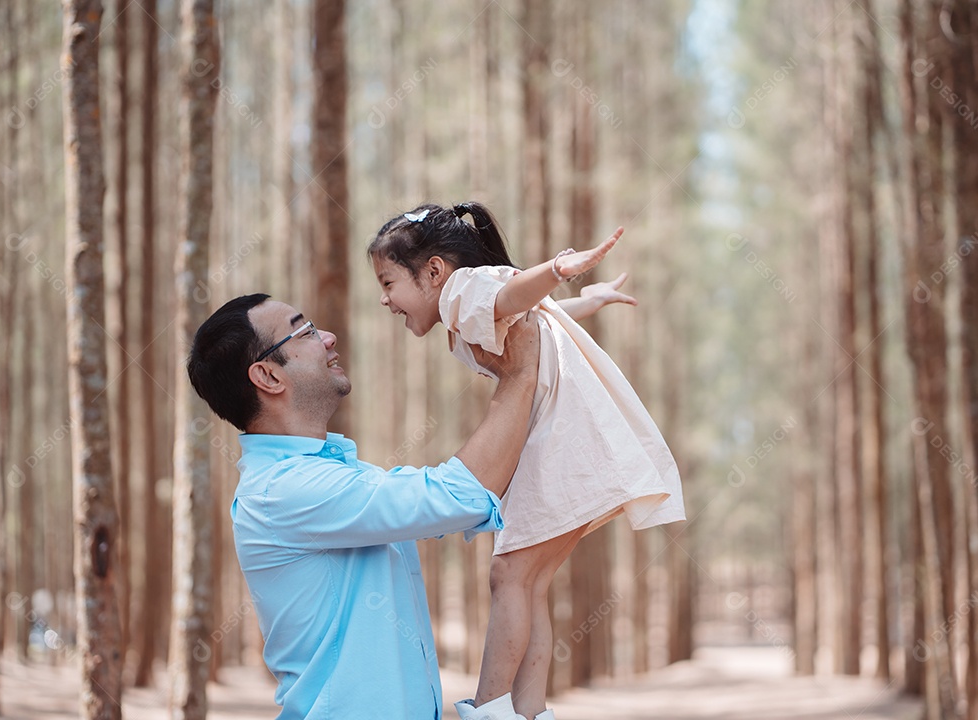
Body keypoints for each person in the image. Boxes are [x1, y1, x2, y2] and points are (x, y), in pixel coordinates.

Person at [368, 202, 686, 720]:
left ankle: (491, 708)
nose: (384, 299)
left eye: (388, 283)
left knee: (510, 576)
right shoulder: (468, 301)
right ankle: (528, 710)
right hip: (571, 441)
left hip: (562, 440)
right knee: (527, 582)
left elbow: (515, 293)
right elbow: (532, 309)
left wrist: (557, 270)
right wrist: (586, 300)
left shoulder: (464, 290)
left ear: (432, 272)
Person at [186, 292, 541, 720]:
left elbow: (450, 493)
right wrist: (520, 375)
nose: (330, 338)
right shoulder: (285, 490)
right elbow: (455, 495)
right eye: (306, 331)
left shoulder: (324, 475)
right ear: (268, 376)